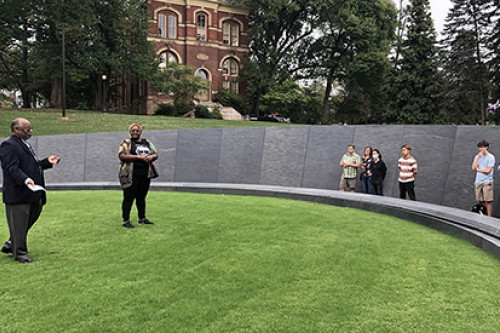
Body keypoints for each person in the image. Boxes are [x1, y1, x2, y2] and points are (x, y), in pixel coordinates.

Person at [0, 118, 60, 263]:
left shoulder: (25, 145)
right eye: (27, 128)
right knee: (19, 223)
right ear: (16, 130)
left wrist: (46, 162)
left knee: (28, 220)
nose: (30, 131)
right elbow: (11, 168)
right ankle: (20, 253)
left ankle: (11, 243)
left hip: (34, 193)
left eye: (30, 128)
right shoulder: (9, 145)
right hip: (19, 194)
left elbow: (32, 166)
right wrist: (26, 180)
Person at [118, 123, 158, 228]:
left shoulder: (148, 142)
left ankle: (142, 218)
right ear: (130, 132)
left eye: (137, 130)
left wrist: (151, 157)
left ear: (141, 131)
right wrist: (138, 157)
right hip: (130, 175)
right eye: (133, 130)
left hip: (145, 175)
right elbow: (122, 156)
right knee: (129, 197)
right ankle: (126, 220)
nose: (135, 132)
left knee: (141, 197)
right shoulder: (126, 142)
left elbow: (155, 154)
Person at [472, 139, 495, 216]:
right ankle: (485, 213)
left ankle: (489, 217)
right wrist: (478, 158)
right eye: (479, 147)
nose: (481, 149)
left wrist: (479, 169)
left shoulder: (491, 157)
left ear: (486, 147)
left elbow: (488, 170)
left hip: (487, 181)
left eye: (482, 147)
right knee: (480, 200)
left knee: (488, 200)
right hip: (478, 181)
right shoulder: (477, 156)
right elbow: (473, 167)